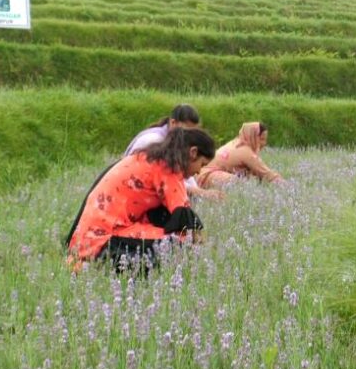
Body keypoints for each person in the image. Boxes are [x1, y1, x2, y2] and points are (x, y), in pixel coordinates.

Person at [66, 127, 216, 271]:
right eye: (201, 164)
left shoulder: (150, 157)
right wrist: (206, 250)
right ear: (193, 152)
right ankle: (99, 264)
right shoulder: (170, 169)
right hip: (104, 239)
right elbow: (187, 224)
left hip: (85, 237)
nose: (198, 172)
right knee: (178, 243)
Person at [196, 122, 285, 188]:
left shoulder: (236, 142)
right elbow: (266, 174)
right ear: (253, 136)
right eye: (261, 139)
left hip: (199, 174)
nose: (264, 143)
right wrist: (286, 185)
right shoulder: (245, 151)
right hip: (208, 176)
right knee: (240, 184)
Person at [123, 104, 200, 156]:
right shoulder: (154, 140)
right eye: (187, 131)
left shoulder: (173, 140)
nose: (190, 136)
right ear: (173, 122)